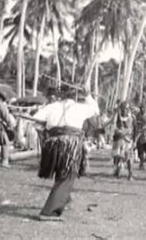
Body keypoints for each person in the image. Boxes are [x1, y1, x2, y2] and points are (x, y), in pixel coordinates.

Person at [33, 86, 97, 221]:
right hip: (70, 145)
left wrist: (47, 130)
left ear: (62, 95)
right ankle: (49, 212)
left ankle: (64, 198)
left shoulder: (51, 106)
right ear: (76, 96)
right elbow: (95, 110)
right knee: (68, 175)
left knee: (62, 173)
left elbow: (36, 120)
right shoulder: (80, 107)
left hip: (53, 144)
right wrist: (88, 96)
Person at [112, 102, 135, 180]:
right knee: (117, 156)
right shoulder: (117, 116)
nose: (124, 110)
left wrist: (126, 133)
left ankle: (130, 174)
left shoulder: (131, 117)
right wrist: (118, 131)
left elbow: (133, 128)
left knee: (128, 157)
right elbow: (114, 125)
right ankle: (118, 171)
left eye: (126, 109)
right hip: (118, 138)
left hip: (127, 139)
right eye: (123, 109)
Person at [135, 103, 146, 170]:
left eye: (143, 108)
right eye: (141, 108)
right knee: (140, 149)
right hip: (139, 134)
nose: (142, 109)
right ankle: (141, 163)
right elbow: (135, 124)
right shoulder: (137, 115)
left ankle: (143, 160)